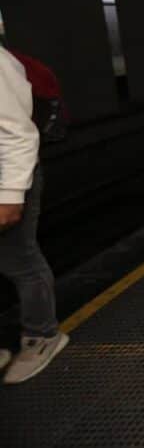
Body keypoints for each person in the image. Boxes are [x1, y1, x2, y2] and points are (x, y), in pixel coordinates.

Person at [0, 46, 68, 384]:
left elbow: (18, 134)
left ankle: (42, 335)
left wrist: (10, 195)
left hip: (7, 179)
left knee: (19, 259)